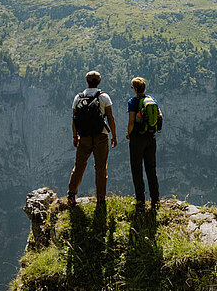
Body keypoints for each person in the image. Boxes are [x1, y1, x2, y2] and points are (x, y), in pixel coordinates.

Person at [67, 70, 117, 206]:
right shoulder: (104, 97)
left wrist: (74, 135)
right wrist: (114, 135)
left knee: (79, 166)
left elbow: (74, 119)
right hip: (101, 136)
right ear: (99, 82)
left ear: (87, 81)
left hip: (84, 136)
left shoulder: (78, 97)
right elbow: (110, 118)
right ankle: (101, 198)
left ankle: (71, 195)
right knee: (100, 167)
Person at [126, 76, 163, 209]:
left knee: (137, 169)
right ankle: (155, 200)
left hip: (137, 138)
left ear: (135, 89)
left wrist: (128, 133)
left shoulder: (133, 102)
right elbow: (160, 116)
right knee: (151, 169)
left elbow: (131, 121)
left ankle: (141, 201)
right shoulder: (152, 100)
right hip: (151, 138)